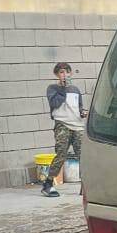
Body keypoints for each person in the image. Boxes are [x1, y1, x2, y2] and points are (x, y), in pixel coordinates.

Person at [42, 62, 85, 198]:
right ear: (57, 75)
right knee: (61, 154)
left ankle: (85, 185)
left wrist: (82, 114)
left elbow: (79, 107)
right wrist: (63, 89)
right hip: (62, 125)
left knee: (83, 157)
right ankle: (48, 184)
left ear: (70, 73)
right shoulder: (52, 88)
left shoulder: (76, 90)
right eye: (61, 72)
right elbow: (55, 103)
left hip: (77, 126)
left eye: (66, 72)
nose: (64, 75)